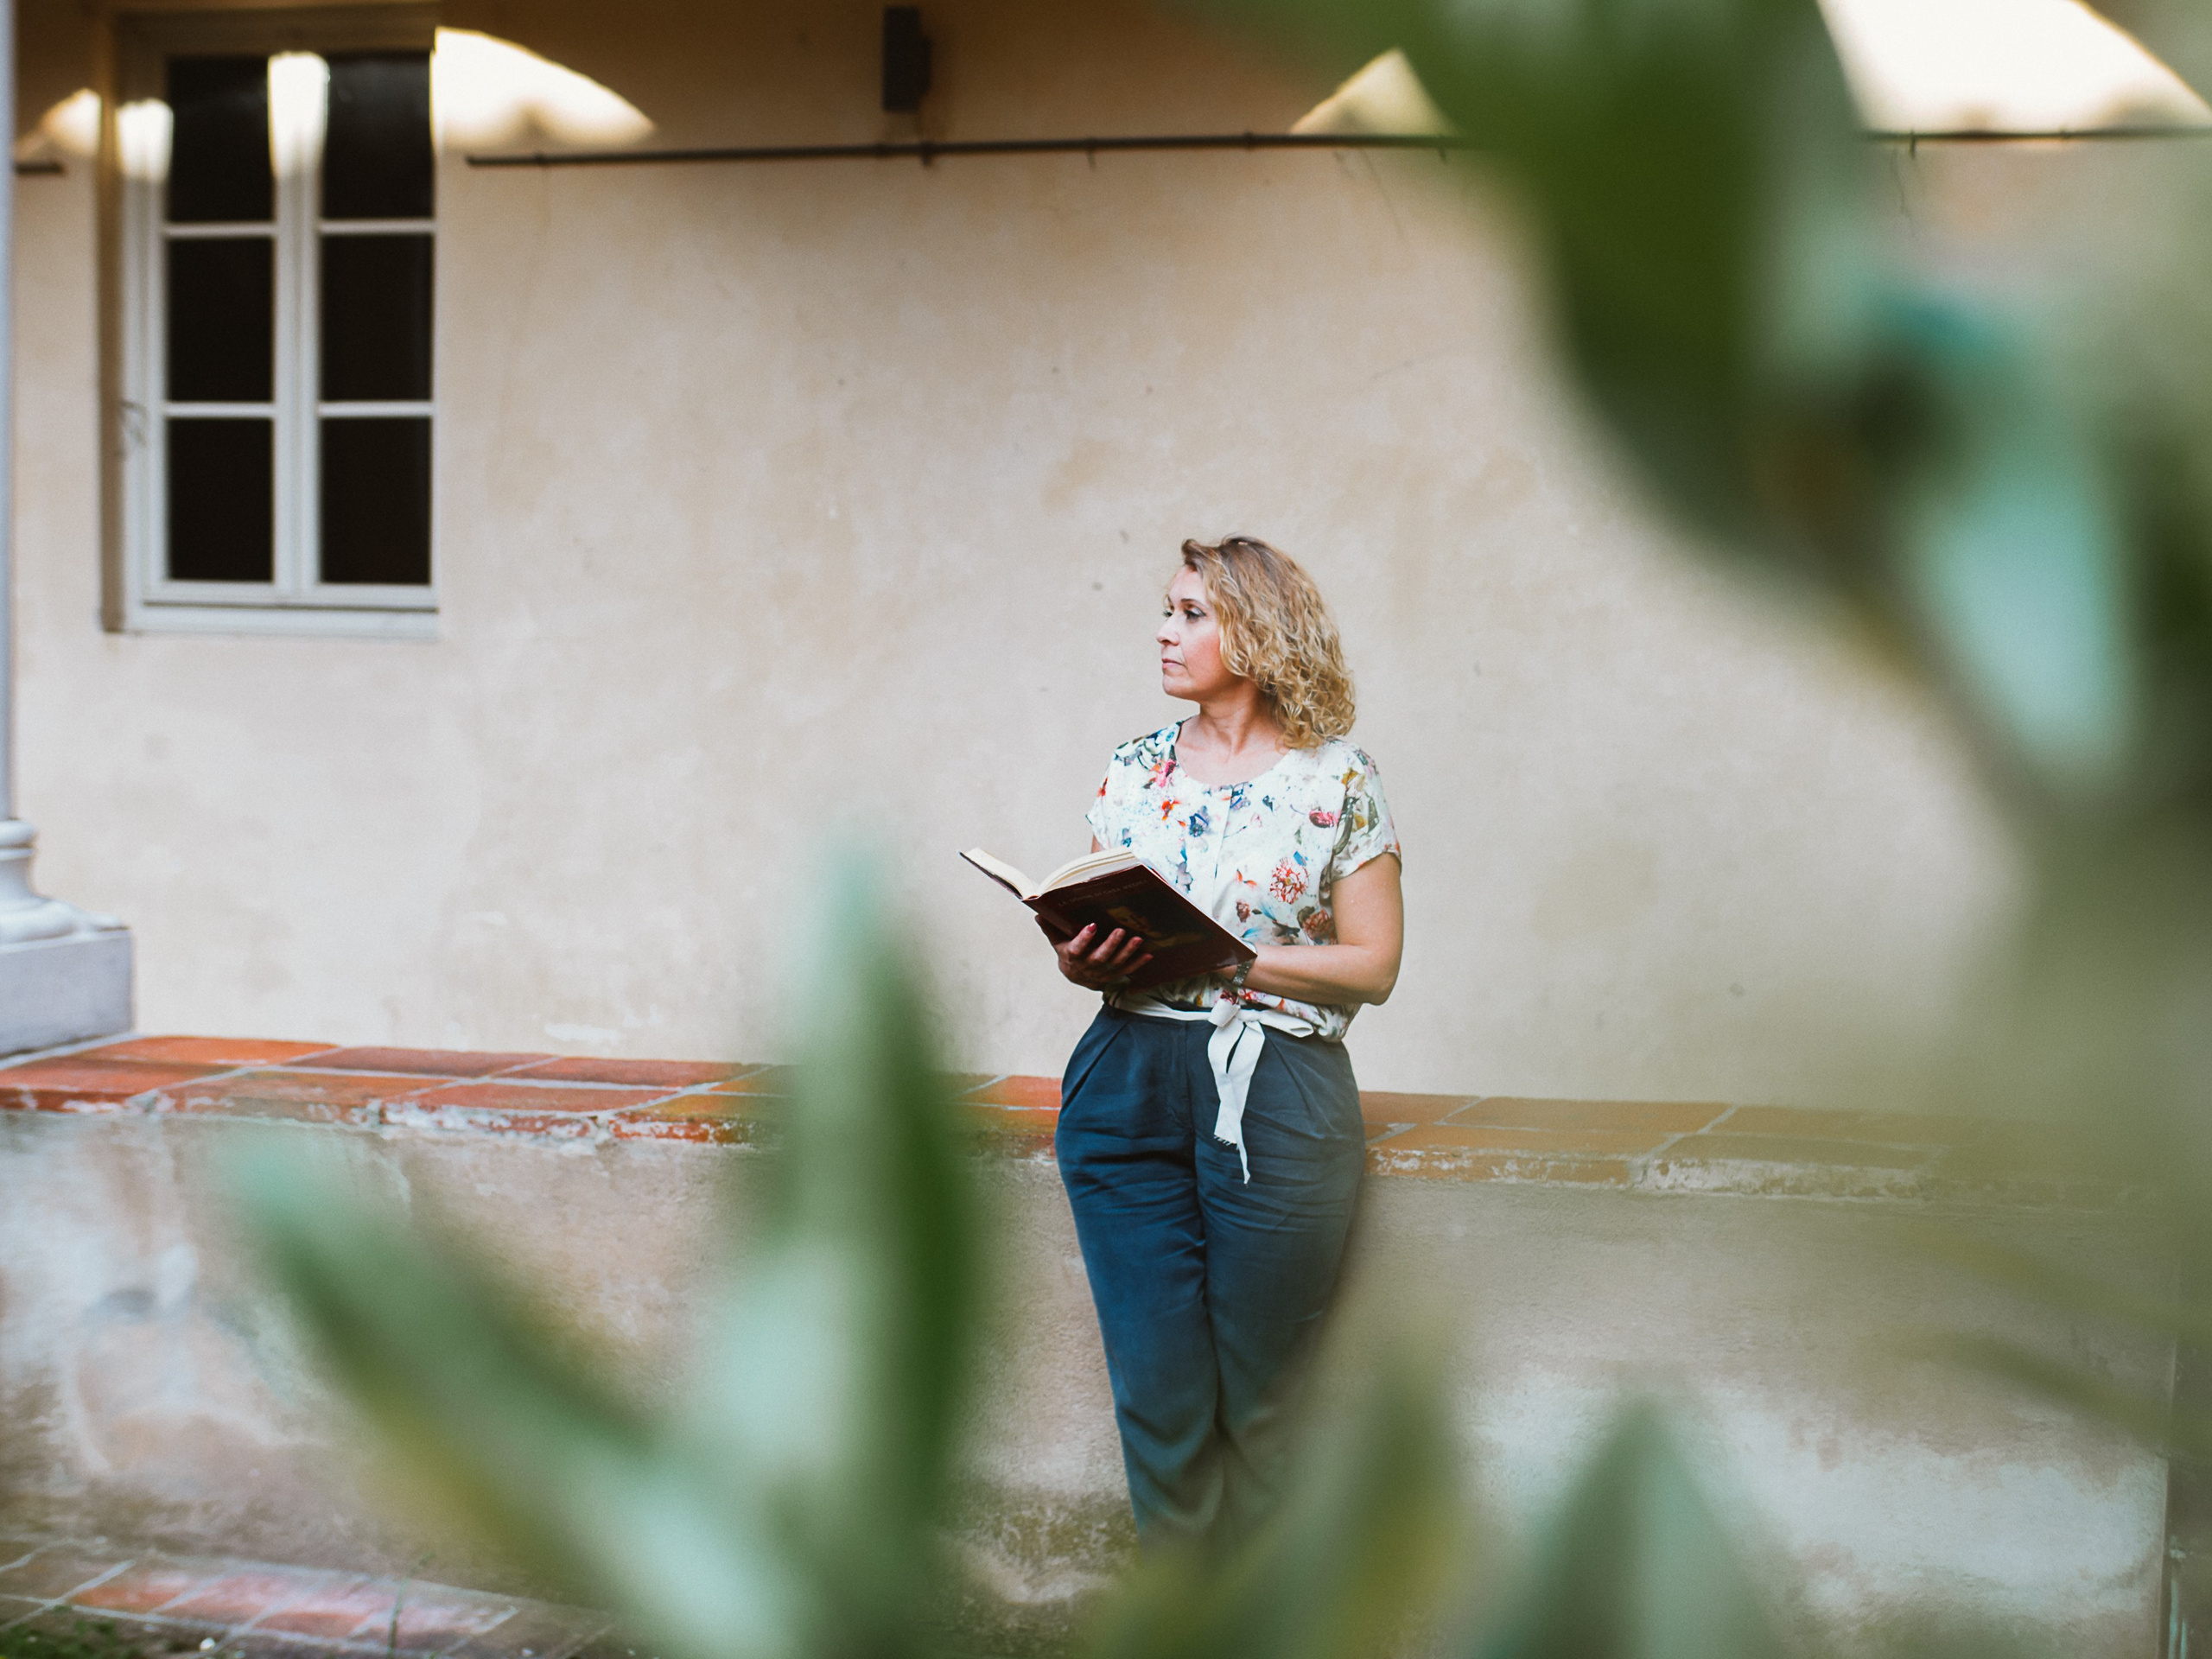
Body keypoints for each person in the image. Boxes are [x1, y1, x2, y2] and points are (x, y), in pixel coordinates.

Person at [1048, 534, 1404, 1556]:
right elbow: (1095, 940)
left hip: (1278, 1087)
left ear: (1256, 632)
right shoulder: (1134, 769)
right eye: (1166, 611)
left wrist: (1234, 960)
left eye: (1191, 614)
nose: (1165, 632)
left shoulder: (1338, 779)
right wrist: (1083, 955)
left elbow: (1373, 964)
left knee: (1264, 1404)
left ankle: (1263, 1617)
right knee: (1156, 1393)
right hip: (1124, 1078)